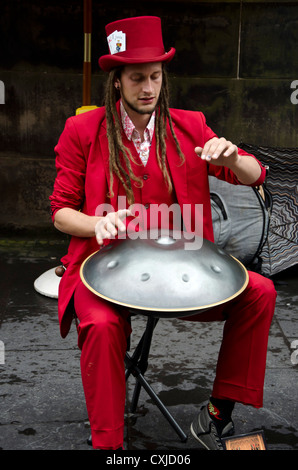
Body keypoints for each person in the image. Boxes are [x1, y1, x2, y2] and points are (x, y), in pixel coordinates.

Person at [50, 16, 276, 450]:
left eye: (155, 76)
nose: (148, 87)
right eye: (137, 78)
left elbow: (255, 174)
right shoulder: (83, 130)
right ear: (117, 81)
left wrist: (232, 155)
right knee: (99, 326)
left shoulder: (189, 125)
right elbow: (61, 213)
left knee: (260, 292)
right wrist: (97, 223)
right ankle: (110, 446)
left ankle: (215, 416)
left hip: (181, 267)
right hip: (102, 268)